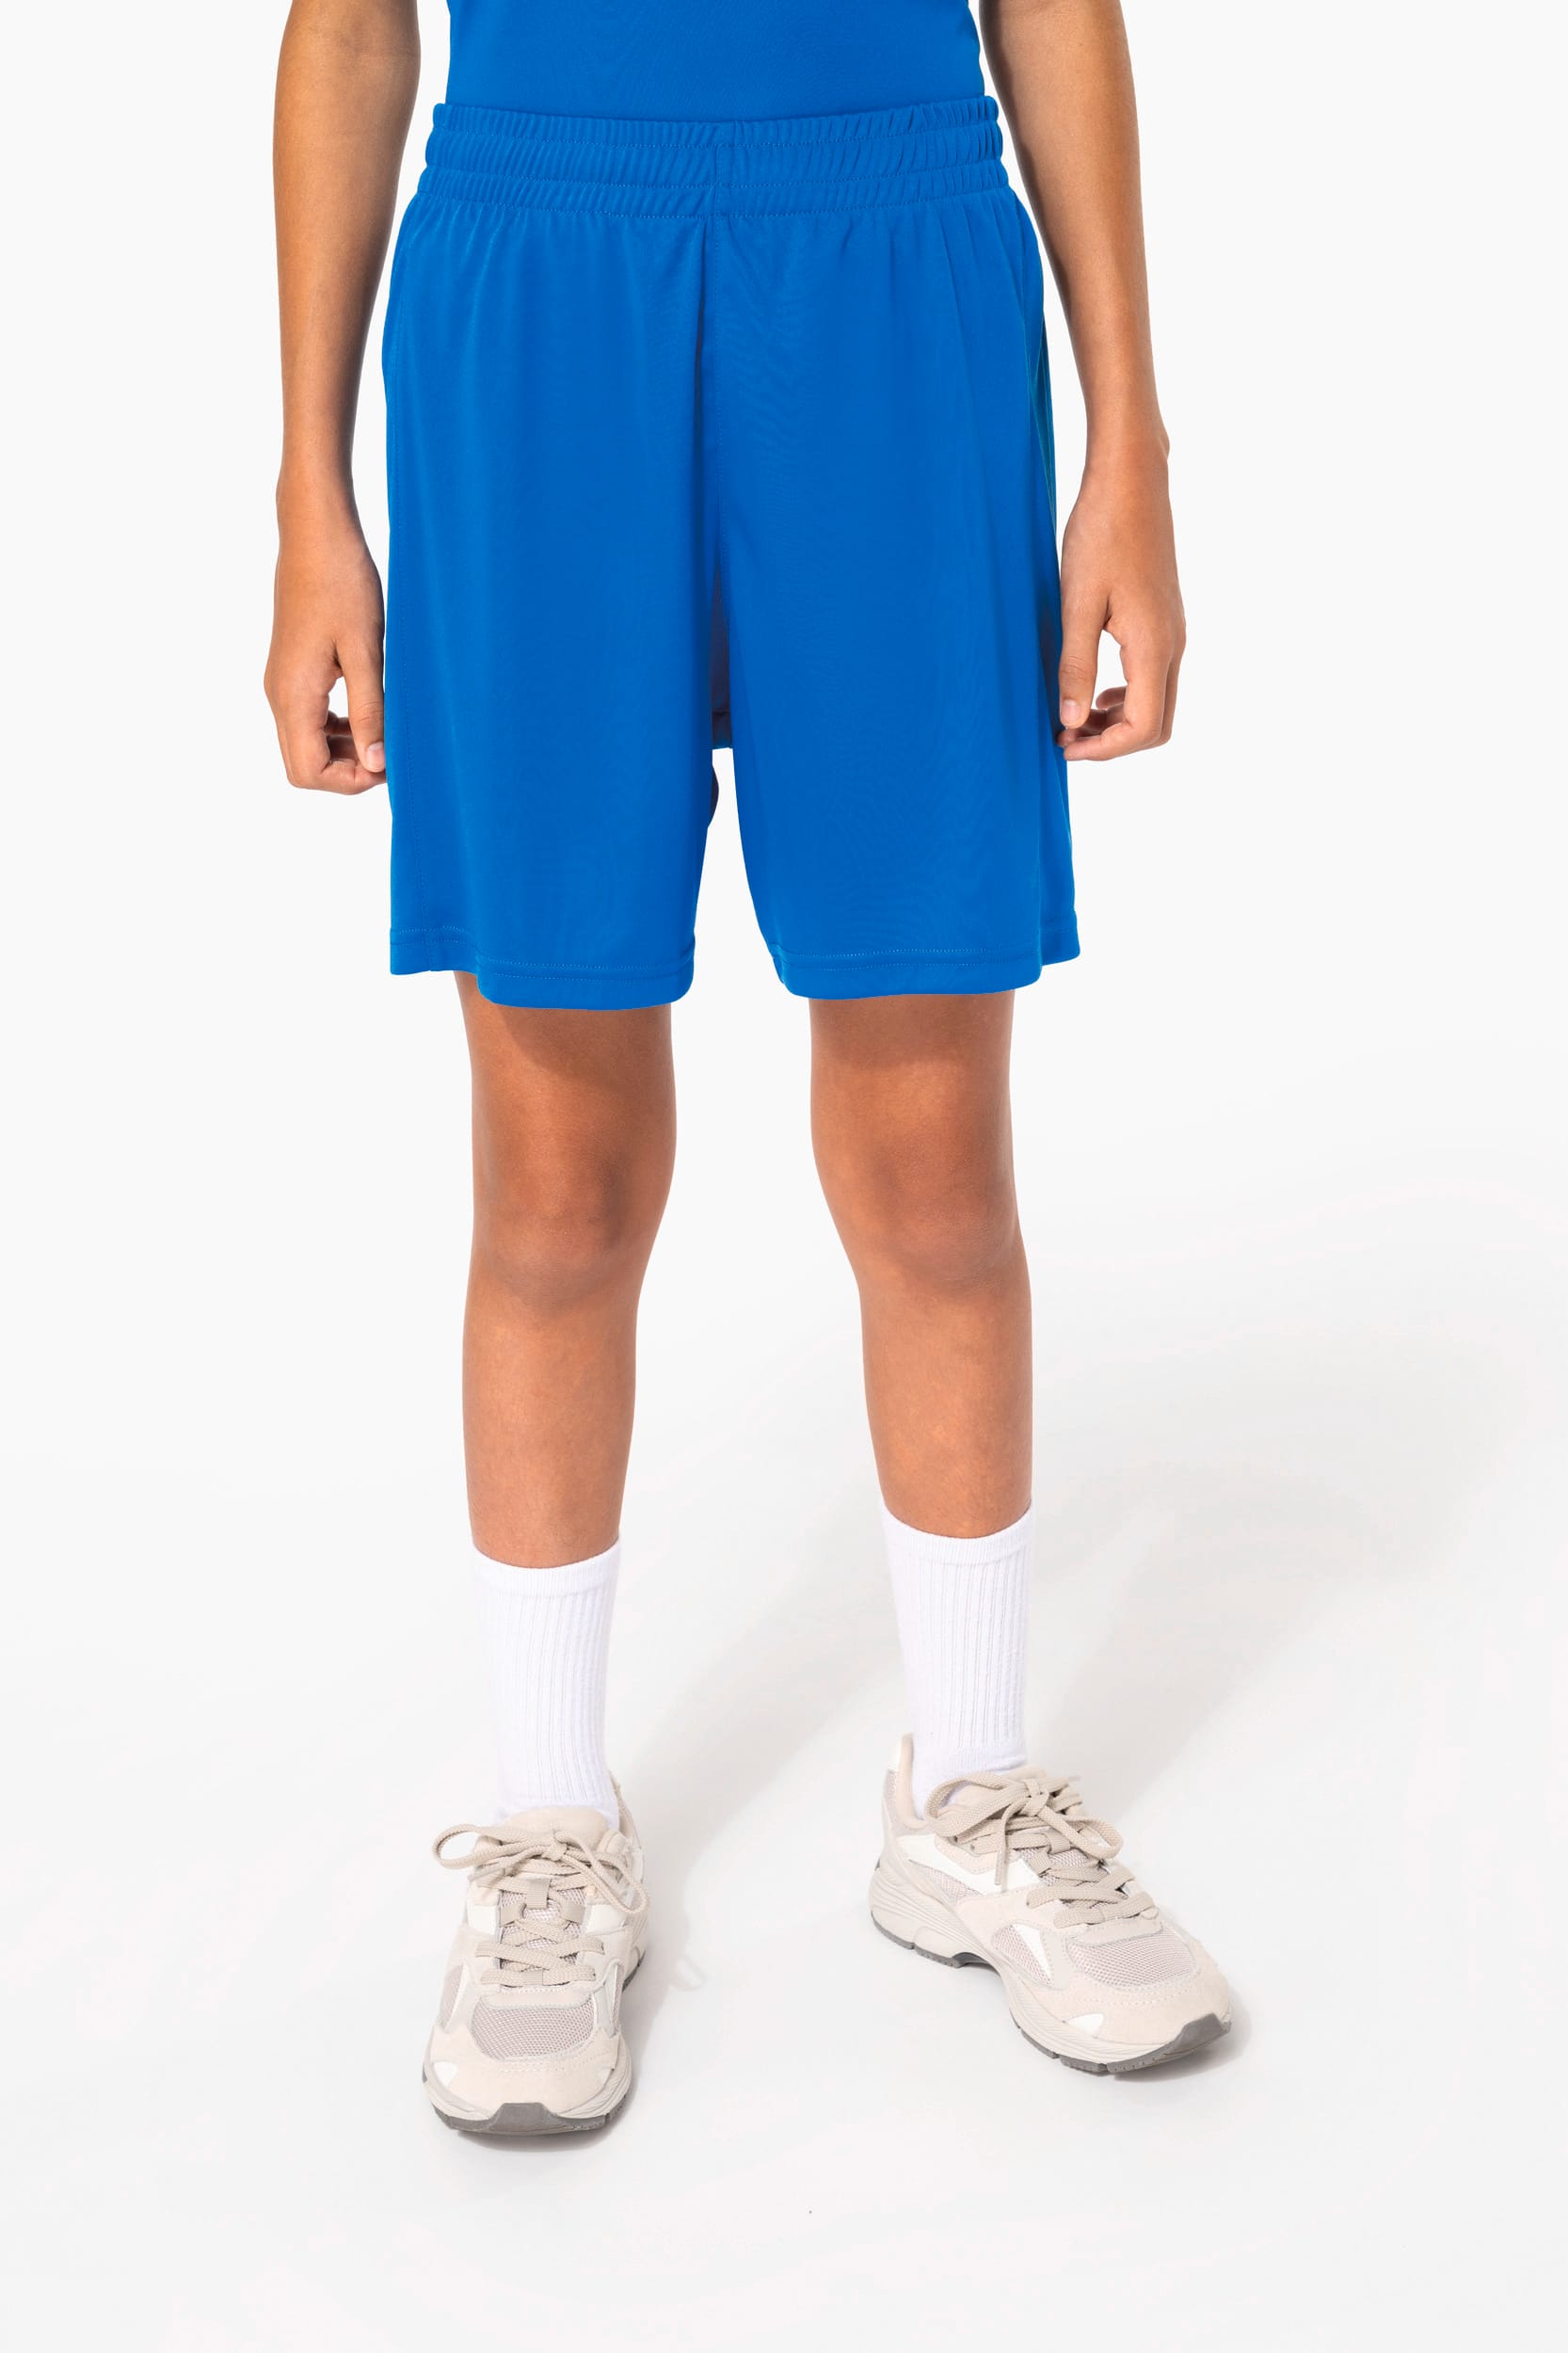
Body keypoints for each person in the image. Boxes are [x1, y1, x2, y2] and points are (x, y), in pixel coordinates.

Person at [265, 0, 1231, 2136]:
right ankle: (549, 1824)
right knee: (555, 1183)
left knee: (933, 1166)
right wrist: (311, 498)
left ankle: (965, 1789)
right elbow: (347, 30)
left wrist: (1128, 447)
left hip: (891, 279)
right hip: (536, 292)